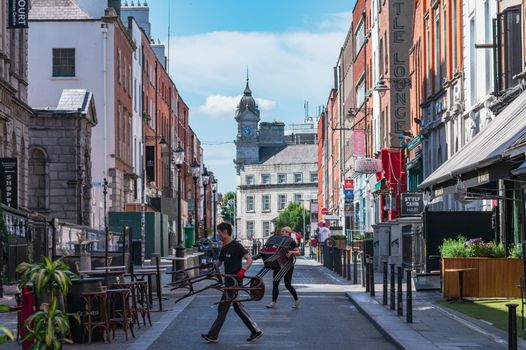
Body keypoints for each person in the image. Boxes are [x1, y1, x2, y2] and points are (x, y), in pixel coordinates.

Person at [202, 222, 263, 343]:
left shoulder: (237, 246)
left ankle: (213, 334)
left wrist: (243, 270)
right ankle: (255, 331)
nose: (218, 235)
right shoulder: (224, 248)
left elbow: (249, 259)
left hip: (235, 282)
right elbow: (219, 263)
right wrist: (209, 266)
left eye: (219, 233)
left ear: (225, 232)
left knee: (223, 306)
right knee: (236, 307)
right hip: (228, 281)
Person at [266, 226, 300, 309]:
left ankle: (296, 299)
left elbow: (298, 252)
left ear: (288, 233)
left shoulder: (291, 241)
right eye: (281, 231)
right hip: (278, 265)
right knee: (275, 282)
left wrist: (291, 252)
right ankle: (273, 302)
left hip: (287, 265)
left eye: (283, 231)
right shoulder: (279, 241)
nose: (282, 233)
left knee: (287, 285)